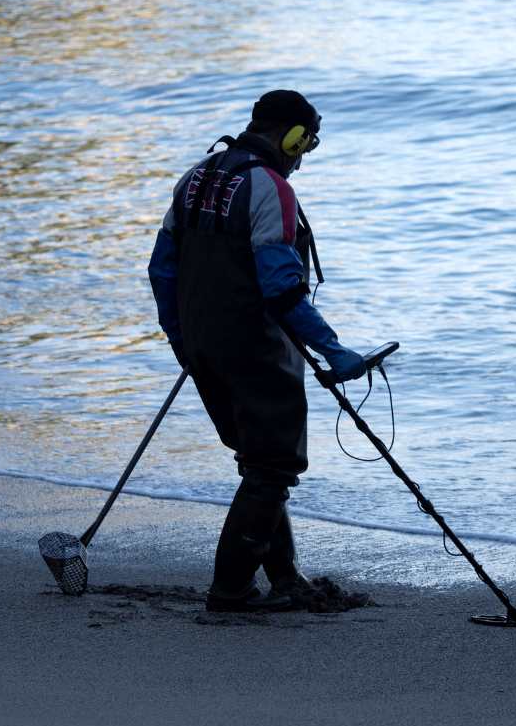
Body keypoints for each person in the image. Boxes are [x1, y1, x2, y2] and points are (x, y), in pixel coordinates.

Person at [147, 90, 371, 612]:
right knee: (272, 465)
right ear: (292, 137)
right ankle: (231, 589)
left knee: (258, 463)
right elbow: (281, 287)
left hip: (204, 346)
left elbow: (161, 270)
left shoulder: (196, 178)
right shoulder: (270, 188)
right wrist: (333, 349)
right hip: (255, 349)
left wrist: (183, 340)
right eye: (307, 144)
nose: (303, 158)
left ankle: (285, 577)